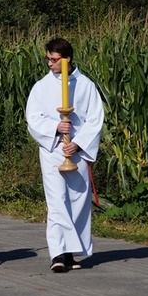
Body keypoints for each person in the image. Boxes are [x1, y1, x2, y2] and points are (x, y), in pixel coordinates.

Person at [26, 38, 104, 273]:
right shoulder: (41, 86)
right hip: (53, 151)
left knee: (78, 201)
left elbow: (95, 119)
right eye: (47, 59)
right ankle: (57, 253)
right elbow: (33, 118)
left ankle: (70, 252)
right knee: (57, 202)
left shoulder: (86, 85)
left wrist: (78, 144)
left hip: (76, 152)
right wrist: (55, 129)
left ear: (67, 59)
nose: (49, 63)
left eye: (53, 59)